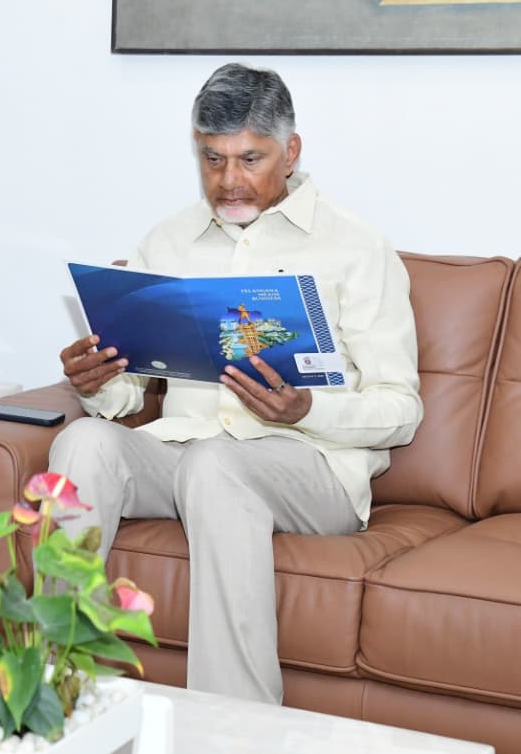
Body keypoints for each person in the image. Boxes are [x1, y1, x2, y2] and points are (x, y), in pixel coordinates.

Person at [49, 63, 422, 705]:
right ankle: (49, 686)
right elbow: (129, 396)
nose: (228, 181)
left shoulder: (356, 247)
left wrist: (306, 408)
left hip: (313, 469)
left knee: (218, 465)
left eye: (250, 159)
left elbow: (402, 408)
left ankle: (234, 731)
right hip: (187, 453)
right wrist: (97, 381)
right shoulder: (166, 242)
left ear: (291, 151)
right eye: (212, 159)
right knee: (84, 443)